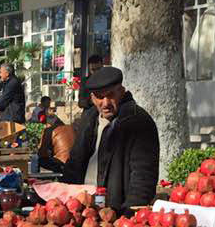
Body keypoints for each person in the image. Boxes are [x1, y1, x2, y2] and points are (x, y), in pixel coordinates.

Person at [62, 66, 160, 211]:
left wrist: (128, 215)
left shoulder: (139, 121)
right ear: (92, 98)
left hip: (117, 213)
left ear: (121, 91)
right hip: (83, 211)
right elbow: (74, 163)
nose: (106, 103)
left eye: (111, 95)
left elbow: (143, 179)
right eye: (100, 97)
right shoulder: (89, 118)